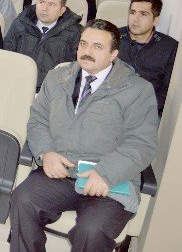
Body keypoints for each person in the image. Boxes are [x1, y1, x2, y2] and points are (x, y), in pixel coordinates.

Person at [10, 19, 159, 252]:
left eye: (97, 47)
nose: (87, 51)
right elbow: (38, 119)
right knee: (22, 199)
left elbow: (142, 143)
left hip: (108, 181)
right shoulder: (57, 78)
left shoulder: (137, 90)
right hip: (61, 171)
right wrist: (45, 152)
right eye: (83, 44)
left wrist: (106, 173)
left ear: (114, 54)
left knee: (91, 230)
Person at [4, 0, 82, 90]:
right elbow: (6, 57)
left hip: (53, 92)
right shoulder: (20, 23)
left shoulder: (75, 33)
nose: (44, 8)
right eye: (41, 2)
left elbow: (74, 71)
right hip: (17, 86)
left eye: (52, 4)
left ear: (62, 10)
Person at [118, 0, 178, 117]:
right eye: (132, 12)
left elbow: (167, 90)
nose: (135, 18)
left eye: (143, 14)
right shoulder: (114, 37)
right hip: (112, 106)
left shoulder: (170, 47)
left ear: (155, 20)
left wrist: (146, 110)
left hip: (147, 112)